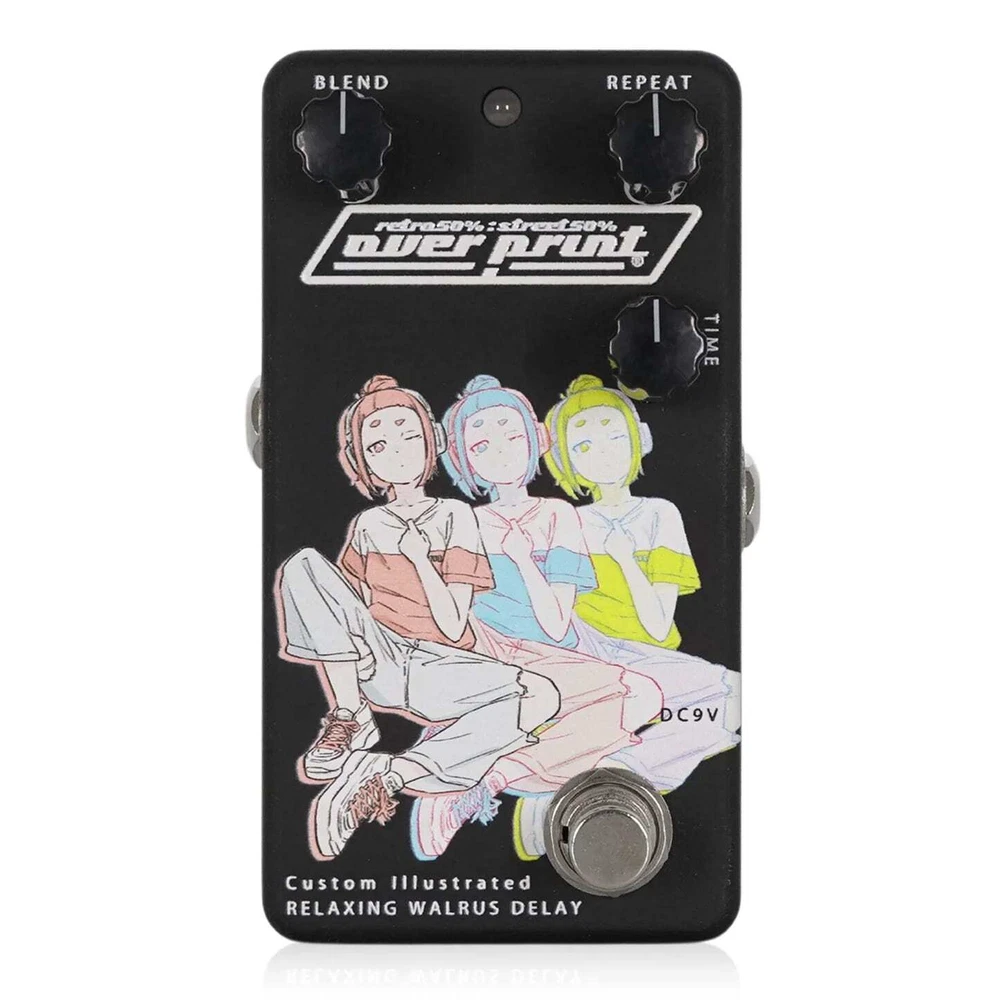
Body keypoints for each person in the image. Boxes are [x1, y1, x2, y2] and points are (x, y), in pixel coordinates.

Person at [421, 375, 739, 860]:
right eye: (481, 444)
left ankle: (574, 787)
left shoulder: (560, 515)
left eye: (512, 435)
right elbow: (461, 617)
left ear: (535, 441)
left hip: (582, 648)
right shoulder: (468, 523)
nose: (501, 451)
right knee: (646, 697)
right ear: (463, 459)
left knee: (730, 702)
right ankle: (507, 778)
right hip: (526, 659)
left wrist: (526, 561)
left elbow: (560, 623)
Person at [274, 375, 559, 860]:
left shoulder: (455, 516)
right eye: (378, 445)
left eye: (409, 436)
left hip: (440, 667)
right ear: (362, 461)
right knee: (302, 565)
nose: (398, 453)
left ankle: (388, 773)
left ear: (431, 441)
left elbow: (453, 625)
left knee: (541, 695)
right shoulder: (367, 524)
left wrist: (420, 559)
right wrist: (355, 647)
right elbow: (342, 604)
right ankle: (351, 715)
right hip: (379, 659)